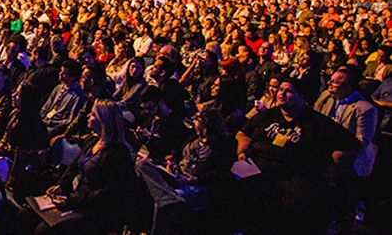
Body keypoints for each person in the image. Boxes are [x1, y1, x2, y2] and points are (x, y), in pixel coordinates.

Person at [235, 77, 361, 233]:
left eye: (289, 91)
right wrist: (242, 152)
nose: (282, 94)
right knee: (227, 184)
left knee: (295, 204)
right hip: (256, 167)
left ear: (302, 97)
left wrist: (332, 170)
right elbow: (243, 133)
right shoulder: (267, 116)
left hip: (294, 174)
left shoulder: (316, 122)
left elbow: (349, 145)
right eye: (281, 90)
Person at [24, 100, 136, 234]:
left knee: (42, 231)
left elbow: (108, 193)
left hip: (91, 210)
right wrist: (61, 186)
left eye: (93, 114)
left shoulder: (118, 155)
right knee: (25, 214)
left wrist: (72, 201)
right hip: (74, 199)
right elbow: (73, 168)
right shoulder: (92, 141)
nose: (88, 115)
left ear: (103, 121)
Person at [137, 107, 235, 235]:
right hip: (177, 175)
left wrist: (192, 180)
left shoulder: (225, 145)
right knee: (142, 165)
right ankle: (167, 199)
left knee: (161, 203)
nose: (196, 130)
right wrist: (172, 165)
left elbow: (222, 175)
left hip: (198, 185)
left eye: (199, 128)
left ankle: (163, 210)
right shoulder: (194, 137)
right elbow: (179, 156)